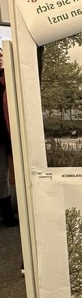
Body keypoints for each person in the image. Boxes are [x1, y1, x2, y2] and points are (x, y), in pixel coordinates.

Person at [0, 47, 18, 227]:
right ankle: (7, 216)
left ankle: (8, 215)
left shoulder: (8, 77)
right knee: (2, 176)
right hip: (3, 135)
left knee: (4, 175)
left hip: (7, 134)